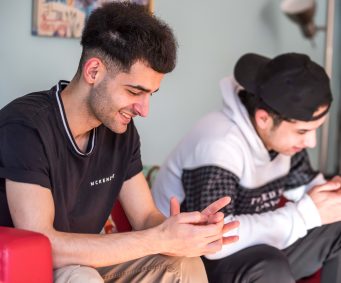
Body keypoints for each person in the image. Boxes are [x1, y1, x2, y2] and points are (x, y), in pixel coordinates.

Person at [0, 3, 239, 283]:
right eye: (134, 91)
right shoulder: (25, 126)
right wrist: (158, 239)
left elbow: (146, 217)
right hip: (30, 267)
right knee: (82, 278)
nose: (144, 109)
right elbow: (43, 244)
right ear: (93, 72)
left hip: (87, 259)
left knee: (184, 265)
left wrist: (184, 231)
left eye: (151, 94)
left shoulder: (121, 131)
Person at [152, 52, 341, 283]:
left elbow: (308, 190)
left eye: (315, 129)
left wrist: (333, 197)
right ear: (264, 119)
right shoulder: (218, 145)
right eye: (302, 131)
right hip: (193, 262)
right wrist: (303, 216)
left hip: (253, 250)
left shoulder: (284, 143)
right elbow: (214, 242)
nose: (311, 142)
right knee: (268, 265)